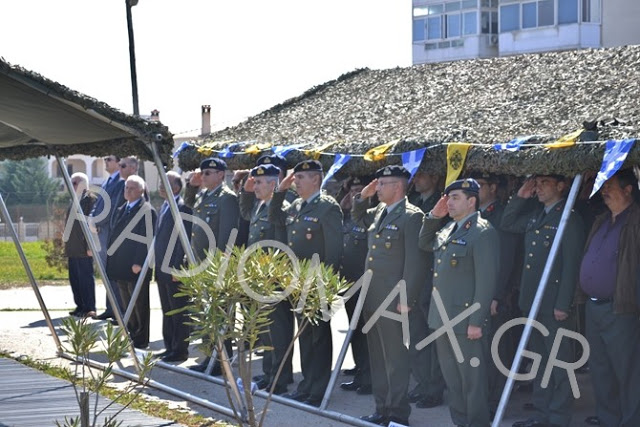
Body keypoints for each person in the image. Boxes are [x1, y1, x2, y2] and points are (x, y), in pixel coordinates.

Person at [501, 174, 585, 427]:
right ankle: (541, 413)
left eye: (544, 183)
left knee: (558, 363)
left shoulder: (569, 219)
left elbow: (571, 266)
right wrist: (520, 197)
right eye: (536, 183)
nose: (538, 188)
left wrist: (563, 303)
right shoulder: (537, 215)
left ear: (561, 186)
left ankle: (558, 417)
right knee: (540, 359)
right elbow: (508, 223)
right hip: (532, 301)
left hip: (552, 304)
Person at [419, 178, 499, 427]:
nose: (449, 203)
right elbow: (423, 243)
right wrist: (433, 216)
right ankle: (460, 422)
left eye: (455, 198)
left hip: (465, 322)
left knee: (472, 381)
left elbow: (486, 282)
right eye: (448, 197)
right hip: (441, 318)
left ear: (471, 201)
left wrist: (476, 322)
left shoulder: (482, 232)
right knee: (453, 380)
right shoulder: (446, 229)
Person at [352, 165, 428, 426]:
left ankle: (397, 414)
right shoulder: (380, 212)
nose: (378, 187)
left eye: (382, 184)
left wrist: (406, 298)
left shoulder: (412, 216)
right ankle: (382, 408)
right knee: (378, 357)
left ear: (397, 187)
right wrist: (363, 195)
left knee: (395, 358)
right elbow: (357, 215)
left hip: (394, 300)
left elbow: (414, 263)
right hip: (373, 297)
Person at [268, 159, 343, 407]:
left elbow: (334, 252)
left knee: (318, 338)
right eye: (295, 178)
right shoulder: (297, 205)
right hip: (297, 282)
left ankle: (317, 389)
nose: (296, 182)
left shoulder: (327, 207)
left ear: (316, 179)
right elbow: (275, 217)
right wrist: (280, 191)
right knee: (304, 337)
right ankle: (307, 385)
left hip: (317, 283)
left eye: (301, 178)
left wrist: (328, 288)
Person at [577, 169, 640, 427]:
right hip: (594, 307)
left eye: (610, 186)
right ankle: (608, 419)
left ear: (628, 190)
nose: (604, 191)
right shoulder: (602, 219)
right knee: (600, 369)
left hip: (621, 308)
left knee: (627, 371)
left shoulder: (636, 221)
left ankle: (630, 421)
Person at [239, 163, 293, 395]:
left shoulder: (282, 208)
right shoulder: (260, 206)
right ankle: (269, 372)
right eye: (255, 181)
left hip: (274, 278)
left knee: (278, 330)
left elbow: (282, 245)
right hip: (259, 278)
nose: (256, 185)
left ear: (274, 184)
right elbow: (244, 212)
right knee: (266, 329)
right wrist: (246, 190)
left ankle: (280, 378)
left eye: (260, 182)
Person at [469, 172, 519, 413]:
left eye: (479, 185)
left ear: (493, 187)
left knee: (496, 352)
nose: (474, 189)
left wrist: (497, 295)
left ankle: (495, 403)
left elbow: (505, 259)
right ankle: (482, 399)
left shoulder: (500, 215)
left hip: (494, 295)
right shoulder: (473, 216)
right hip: (475, 292)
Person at [188, 157, 239, 374]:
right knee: (207, 314)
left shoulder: (226, 198)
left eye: (208, 172)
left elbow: (227, 234)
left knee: (220, 313)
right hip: (201, 264)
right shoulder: (204, 195)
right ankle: (209, 356)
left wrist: (218, 266)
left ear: (221, 175)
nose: (204, 176)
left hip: (215, 266)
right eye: (202, 172)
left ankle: (222, 360)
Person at [405, 171, 447, 409]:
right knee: (418, 335)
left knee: (433, 338)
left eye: (422, 175)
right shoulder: (414, 203)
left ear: (435, 178)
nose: (416, 179)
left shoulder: (441, 205)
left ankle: (434, 389)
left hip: (433, 278)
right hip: (416, 278)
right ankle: (423, 383)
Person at [106, 175, 156, 349]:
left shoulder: (147, 210)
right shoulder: (123, 208)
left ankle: (141, 339)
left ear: (141, 191)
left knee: (139, 303)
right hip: (121, 263)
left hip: (136, 266)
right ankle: (131, 333)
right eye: (126, 187)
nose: (128, 191)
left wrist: (139, 262)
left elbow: (147, 238)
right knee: (127, 302)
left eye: (132, 188)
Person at [338, 176, 373, 396]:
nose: (355, 195)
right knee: (354, 332)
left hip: (365, 284)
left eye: (360, 190)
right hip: (348, 283)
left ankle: (368, 377)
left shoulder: (371, 217)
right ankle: (360, 371)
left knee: (366, 334)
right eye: (352, 191)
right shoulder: (347, 217)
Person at [154, 171, 192, 363]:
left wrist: (178, 268)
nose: (161, 185)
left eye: (165, 183)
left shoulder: (182, 208)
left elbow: (182, 241)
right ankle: (169, 346)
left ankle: (180, 350)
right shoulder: (165, 206)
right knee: (167, 310)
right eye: (161, 182)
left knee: (179, 311)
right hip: (161, 268)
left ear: (176, 188)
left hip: (174, 270)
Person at [91, 155, 125, 321]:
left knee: (112, 272)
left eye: (109, 159)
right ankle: (110, 308)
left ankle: (118, 309)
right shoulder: (108, 180)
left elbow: (110, 207)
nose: (106, 162)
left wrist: (96, 221)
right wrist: (91, 218)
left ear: (119, 163)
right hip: (101, 232)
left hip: (109, 232)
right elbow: (98, 204)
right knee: (106, 272)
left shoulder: (121, 181)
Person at [65, 172, 97, 319]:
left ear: (84, 184)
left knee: (85, 279)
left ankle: (89, 307)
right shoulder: (74, 200)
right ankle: (80, 306)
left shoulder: (90, 200)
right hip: (73, 247)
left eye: (75, 182)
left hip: (84, 248)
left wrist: (91, 246)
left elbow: (93, 225)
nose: (72, 185)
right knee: (75, 279)